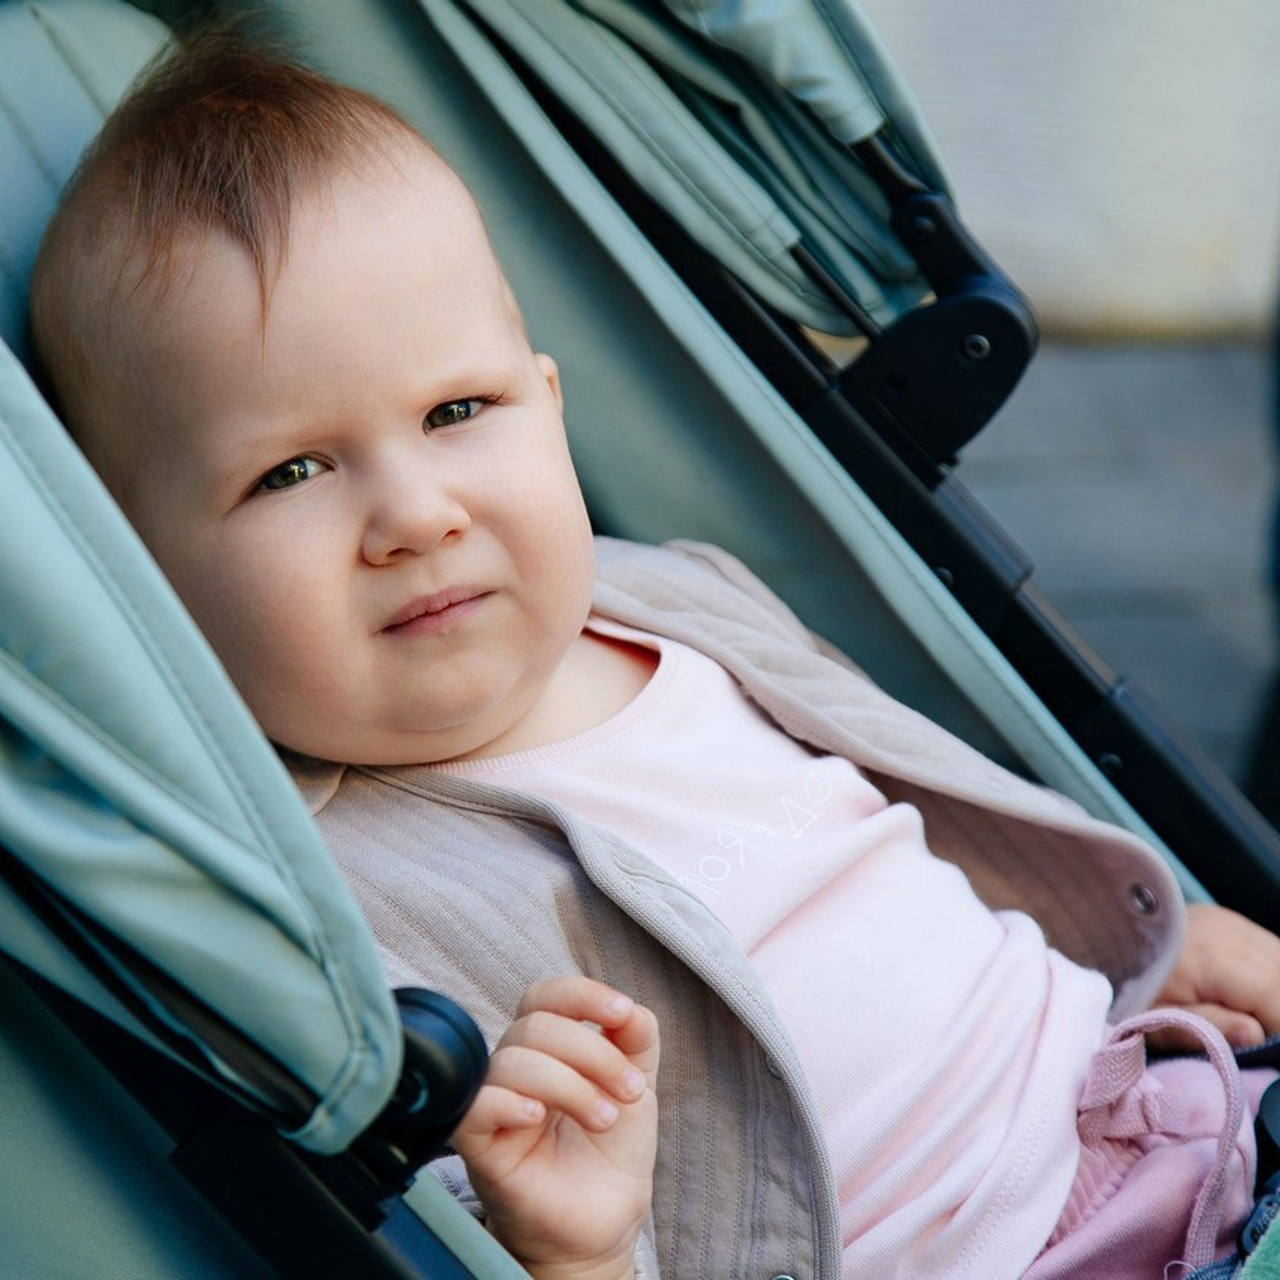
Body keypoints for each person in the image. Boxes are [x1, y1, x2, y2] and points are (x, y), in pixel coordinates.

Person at [27, 28, 1280, 1280]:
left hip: (1162, 1104)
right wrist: (583, 1251)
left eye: (457, 411)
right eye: (288, 471)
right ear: (144, 574)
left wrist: (1158, 947)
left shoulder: (676, 599)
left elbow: (921, 819)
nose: (415, 515)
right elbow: (471, 1211)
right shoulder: (331, 909)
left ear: (548, 402)